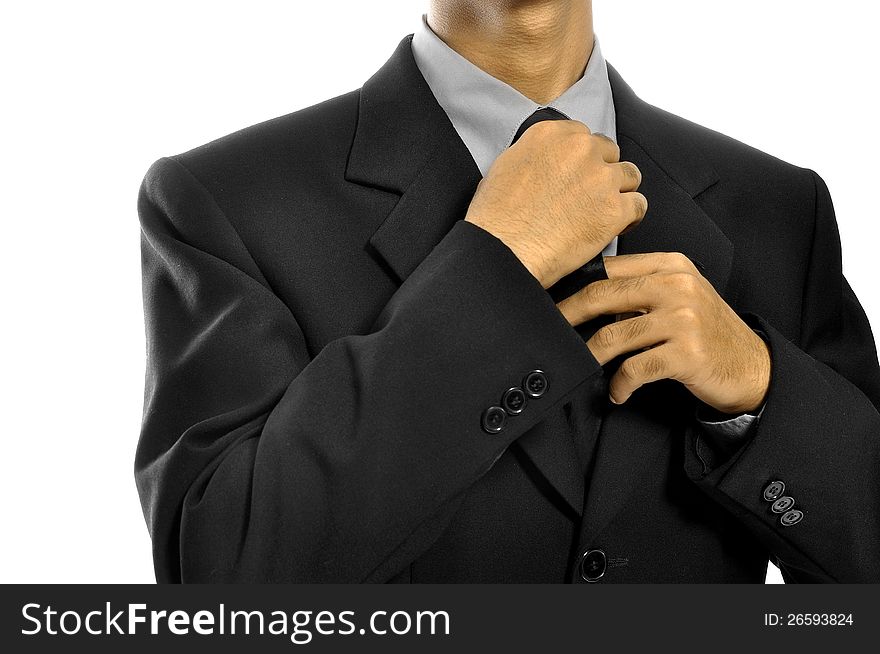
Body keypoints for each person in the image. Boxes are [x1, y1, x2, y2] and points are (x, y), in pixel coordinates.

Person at [135, 0, 880, 583]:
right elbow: (221, 586)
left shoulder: (781, 210)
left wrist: (762, 393)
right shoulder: (229, 201)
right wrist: (494, 267)